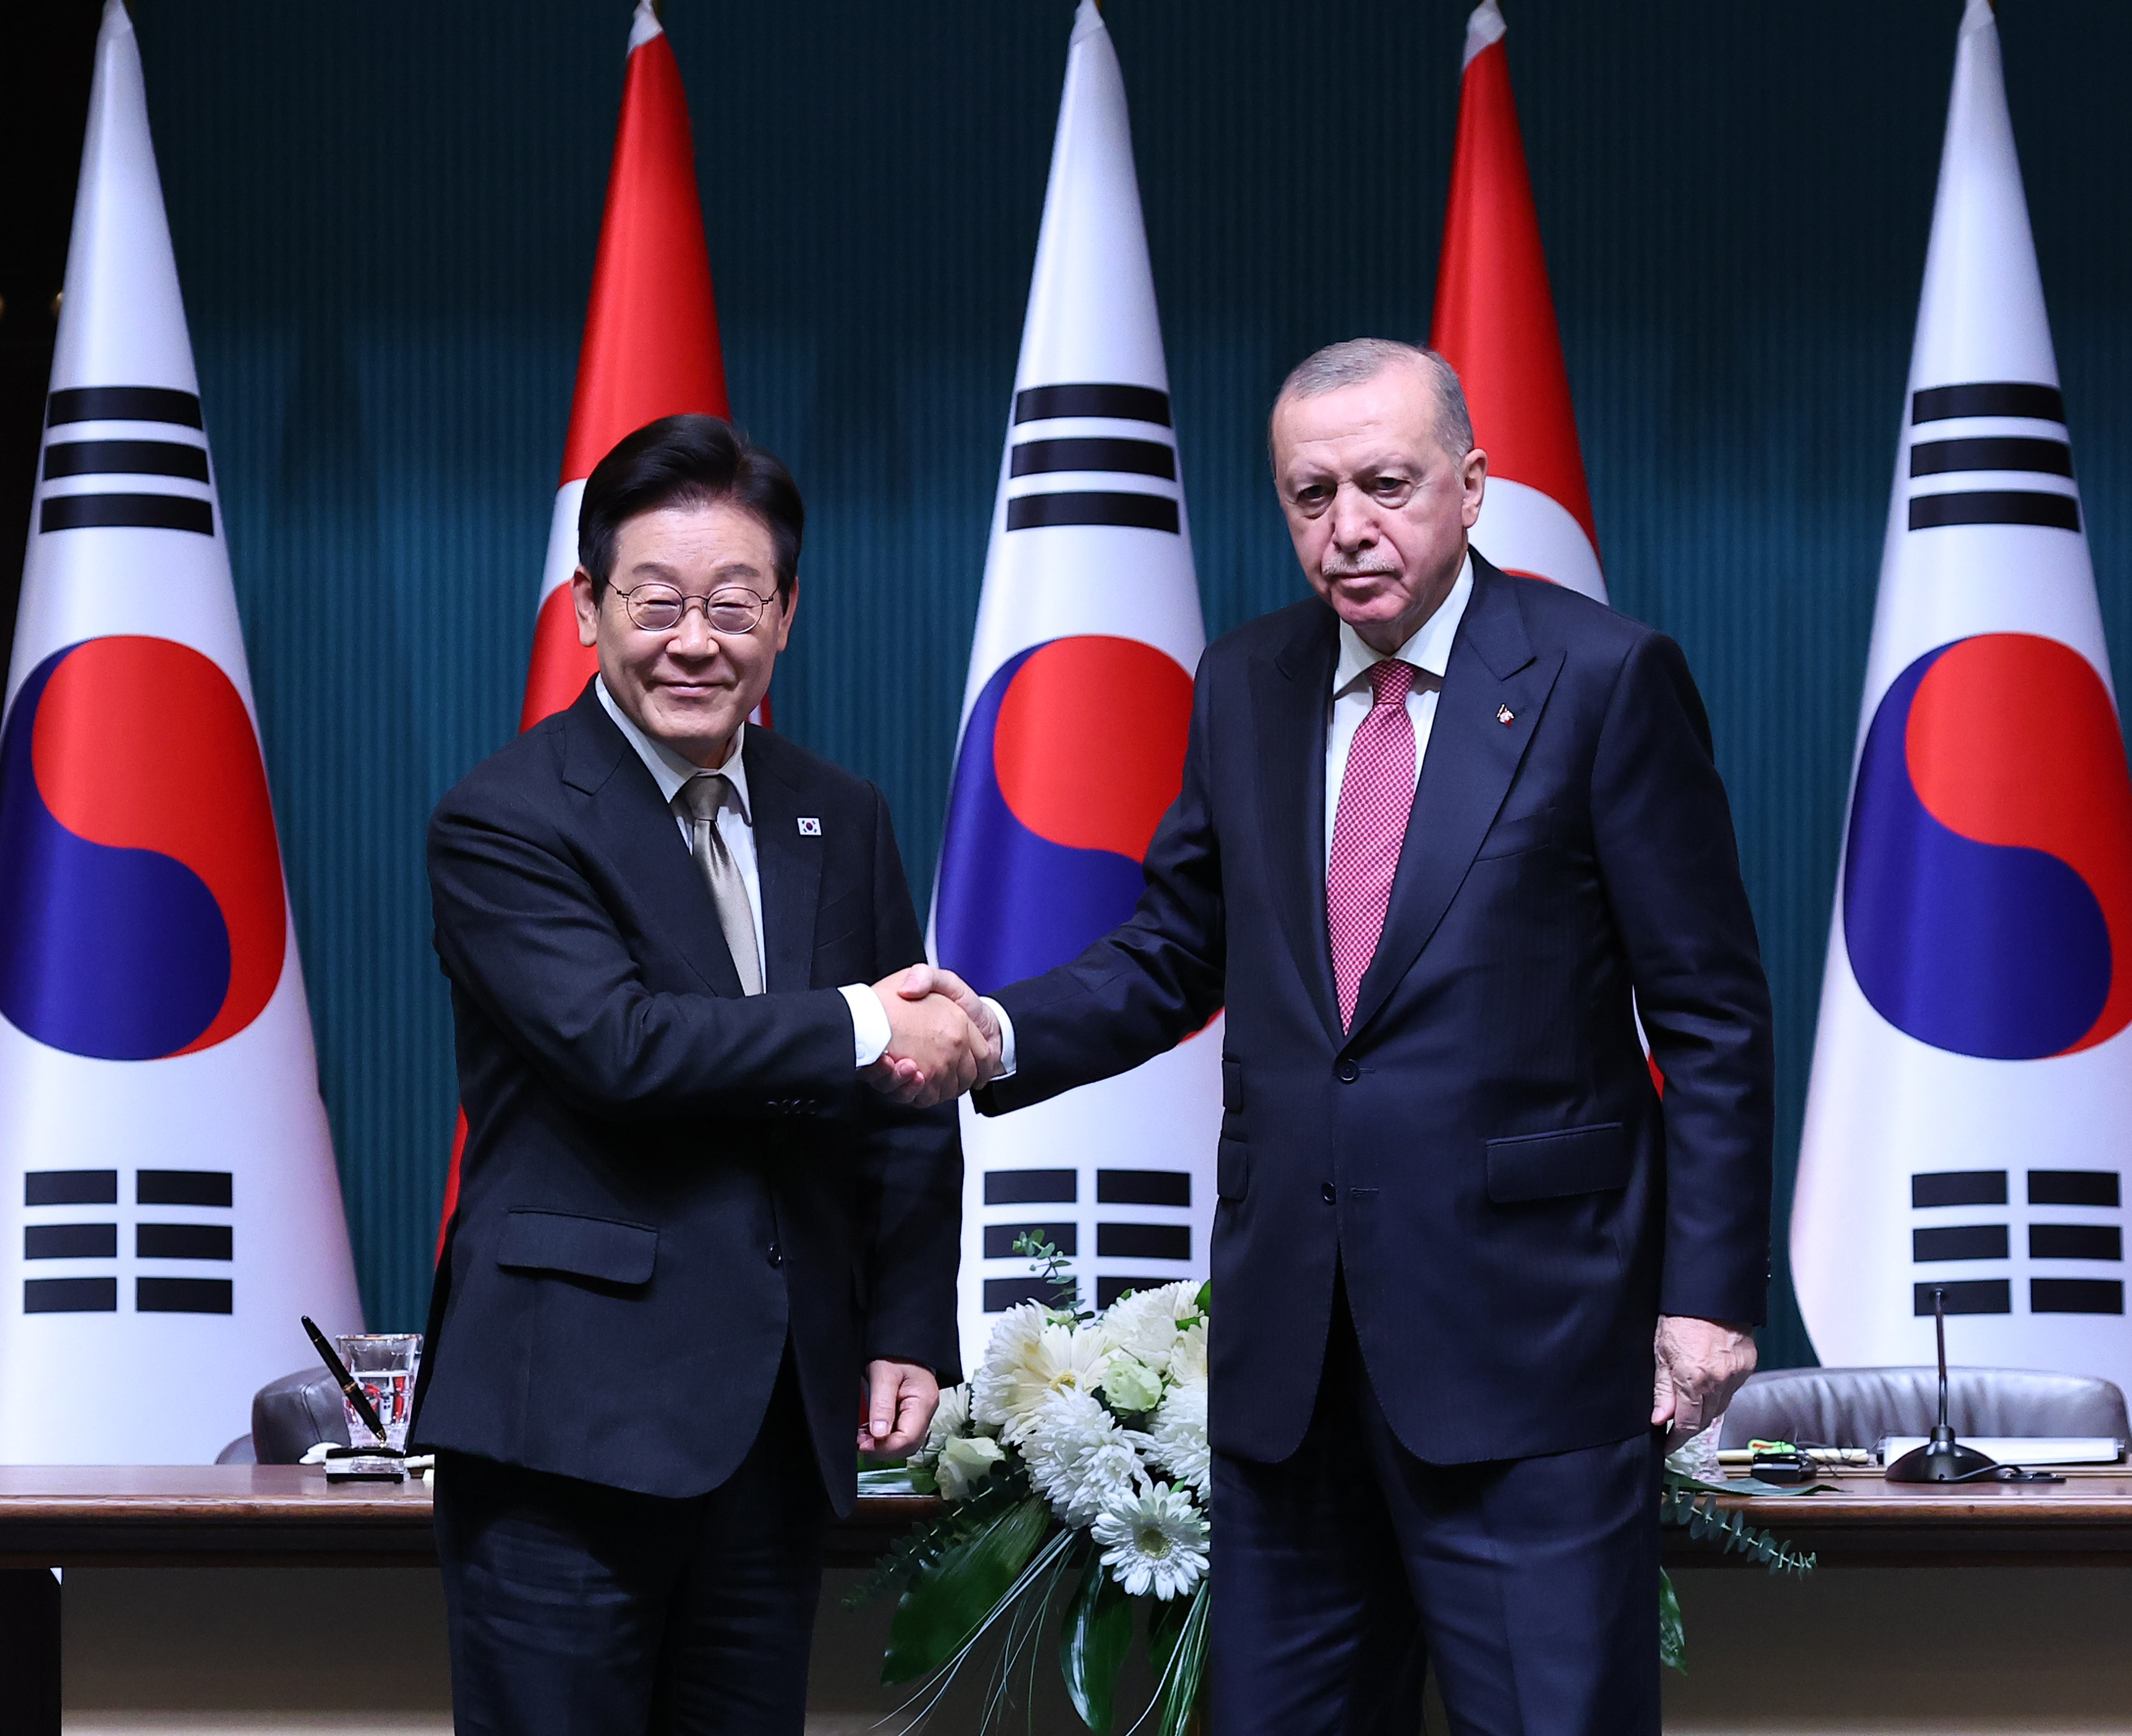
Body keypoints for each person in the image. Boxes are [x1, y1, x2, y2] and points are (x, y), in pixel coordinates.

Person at [949, 339, 1775, 1734]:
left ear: (1472, 482)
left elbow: (1709, 1010)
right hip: (1293, 1372)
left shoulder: (1603, 677)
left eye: (1387, 484)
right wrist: (990, 1029)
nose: (1348, 527)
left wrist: (1708, 1296)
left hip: (1529, 1352)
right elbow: (1170, 953)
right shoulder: (1244, 682)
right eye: (1310, 492)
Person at [412, 414, 988, 1734]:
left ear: (784, 613)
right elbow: (620, 1045)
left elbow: (902, 1098)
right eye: (655, 601)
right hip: (568, 1424)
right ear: (586, 610)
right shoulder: (507, 815)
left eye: (735, 603)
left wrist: (905, 1317)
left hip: (775, 1426)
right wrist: (855, 1019)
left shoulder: (838, 811)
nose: (695, 638)